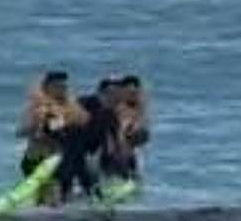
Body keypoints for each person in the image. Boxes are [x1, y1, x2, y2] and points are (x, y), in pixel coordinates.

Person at [16, 70, 89, 205]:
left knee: (57, 193)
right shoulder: (36, 107)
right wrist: (40, 126)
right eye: (58, 87)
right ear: (48, 87)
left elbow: (83, 120)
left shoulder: (70, 106)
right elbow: (20, 131)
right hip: (36, 158)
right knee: (44, 196)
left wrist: (64, 122)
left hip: (58, 159)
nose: (62, 90)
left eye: (64, 87)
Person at [107, 74, 150, 180]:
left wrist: (134, 127)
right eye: (129, 92)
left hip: (130, 139)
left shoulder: (140, 104)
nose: (132, 94)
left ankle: (129, 175)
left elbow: (142, 122)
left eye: (135, 92)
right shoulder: (115, 105)